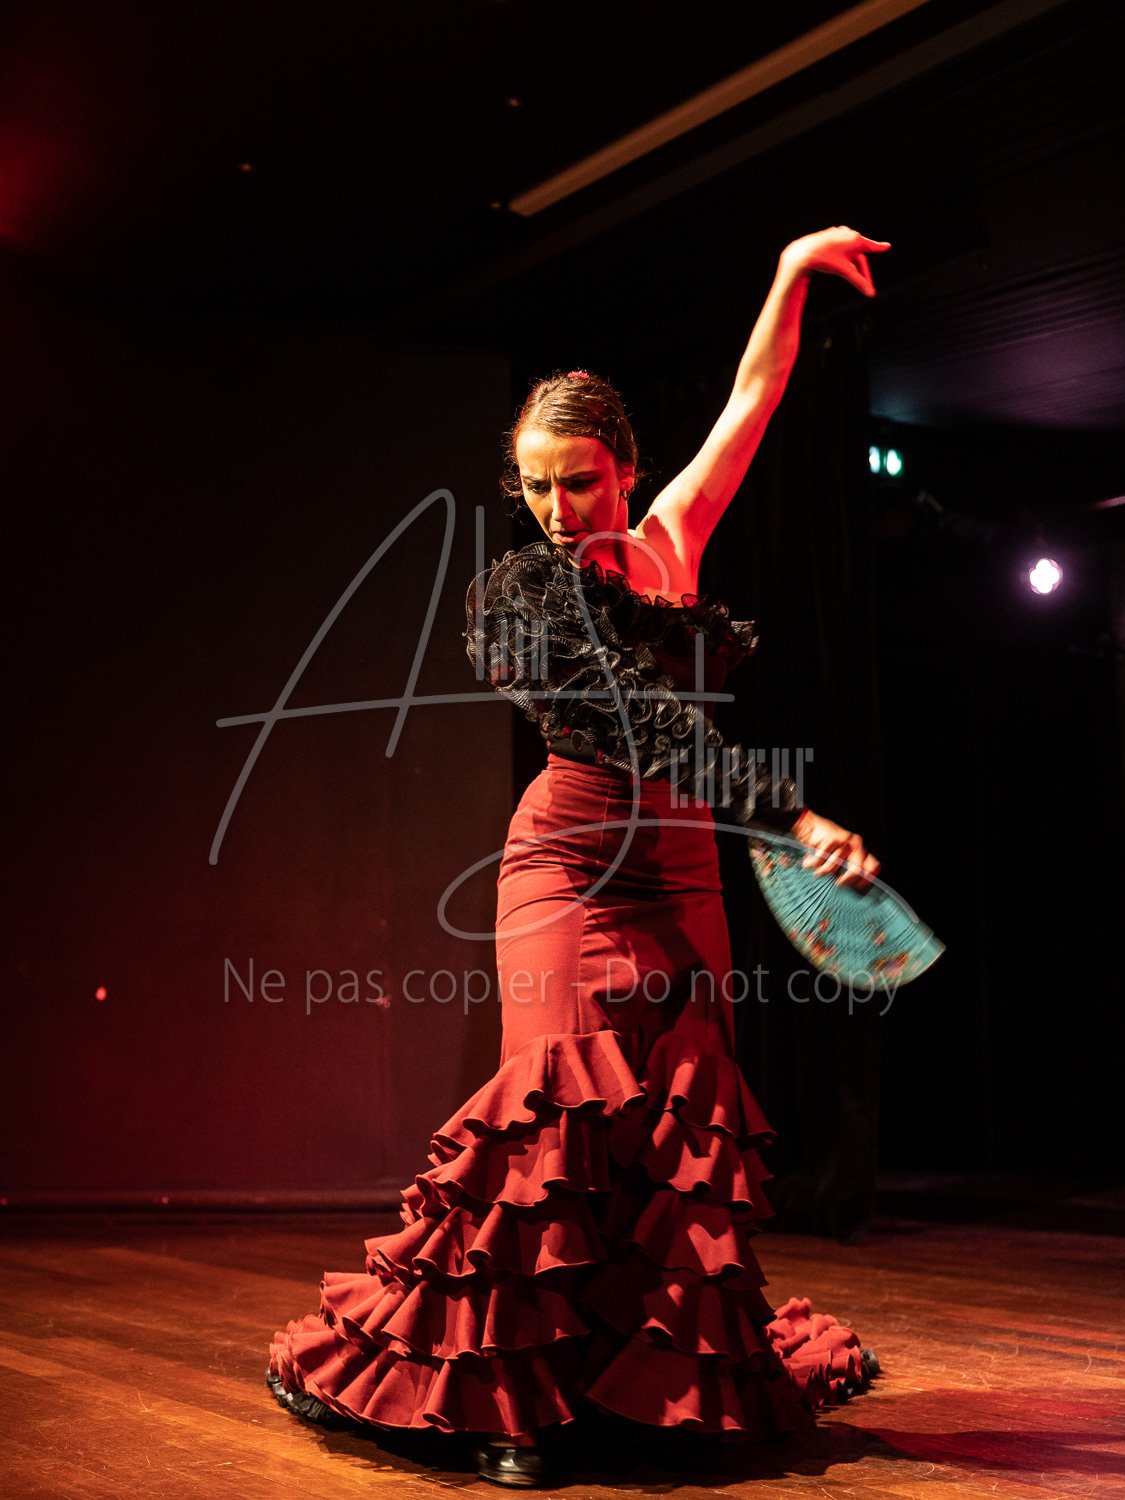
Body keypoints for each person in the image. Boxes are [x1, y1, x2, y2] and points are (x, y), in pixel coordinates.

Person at [267, 225, 891, 1488]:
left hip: (684, 870)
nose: (560, 512)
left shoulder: (674, 543)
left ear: (626, 471)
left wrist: (787, 270)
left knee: (678, 1118)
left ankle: (645, 1386)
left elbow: (754, 399)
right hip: (565, 865)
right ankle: (507, 1398)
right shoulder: (527, 596)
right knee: (550, 1115)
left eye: (582, 485)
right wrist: (792, 818)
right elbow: (647, 722)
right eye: (539, 488)